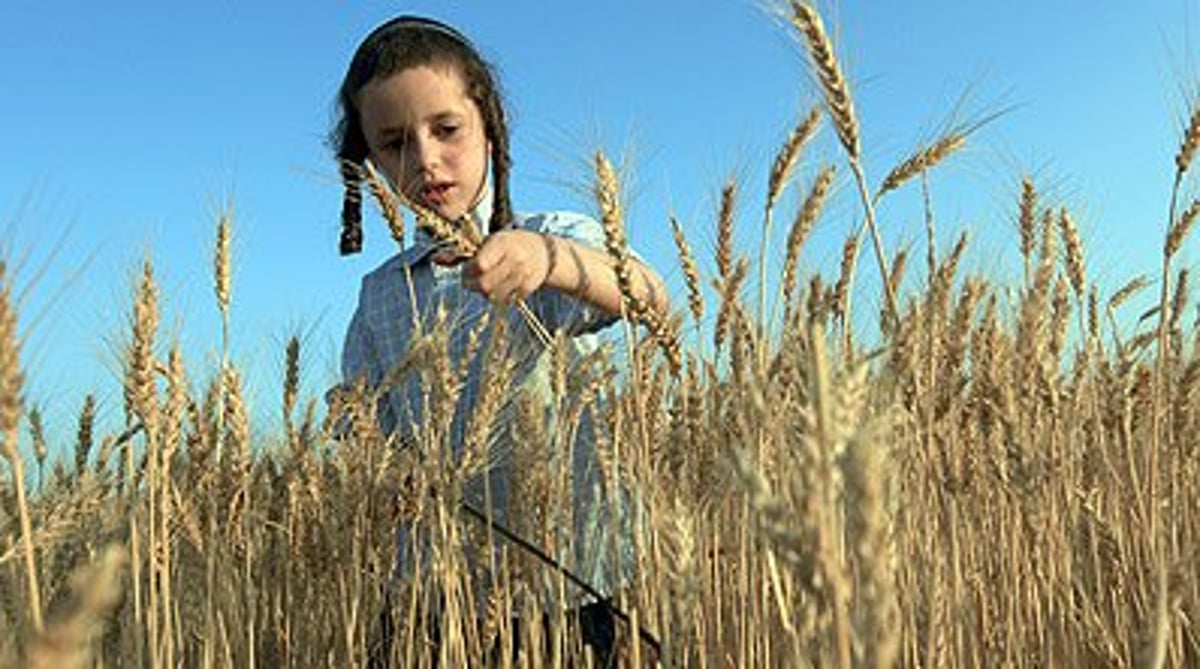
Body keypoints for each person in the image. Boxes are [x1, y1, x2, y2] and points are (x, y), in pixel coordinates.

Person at [329, 15, 667, 666]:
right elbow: (363, 424)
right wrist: (377, 463)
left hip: (570, 587)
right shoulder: (380, 296)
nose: (425, 158)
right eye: (394, 142)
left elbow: (650, 296)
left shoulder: (553, 235)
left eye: (446, 129)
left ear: (490, 124)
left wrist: (550, 259)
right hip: (435, 597)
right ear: (367, 167)